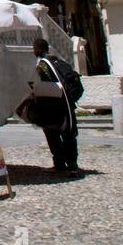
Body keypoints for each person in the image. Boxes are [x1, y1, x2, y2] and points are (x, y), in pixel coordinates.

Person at [34, 38, 83, 177]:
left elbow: (42, 85)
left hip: (51, 106)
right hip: (66, 105)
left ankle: (60, 164)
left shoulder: (42, 66)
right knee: (68, 136)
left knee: (53, 136)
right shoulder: (61, 63)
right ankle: (72, 165)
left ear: (36, 50)